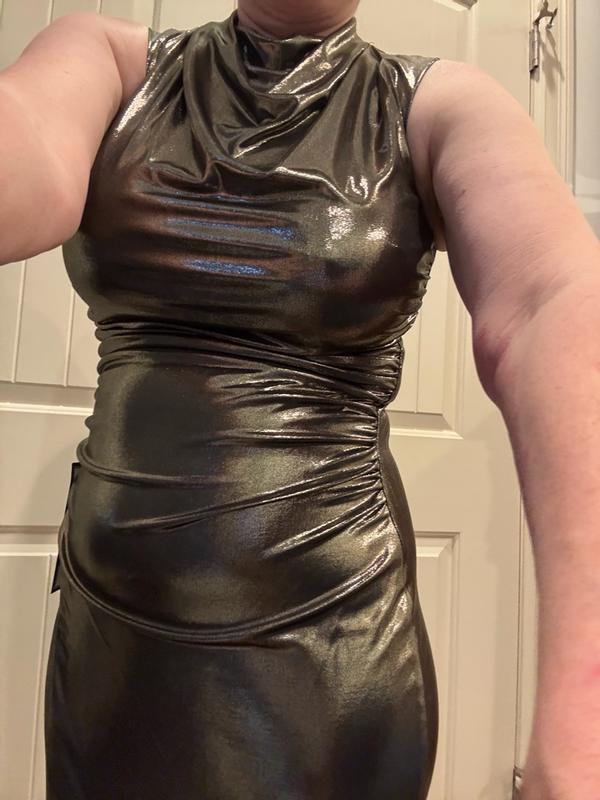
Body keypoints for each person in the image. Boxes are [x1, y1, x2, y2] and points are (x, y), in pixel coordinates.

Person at [1, 1, 599, 798]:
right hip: (113, 643)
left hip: (330, 649)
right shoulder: (108, 63)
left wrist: (583, 729)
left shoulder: (437, 105)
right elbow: (27, 153)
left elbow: (549, 304)